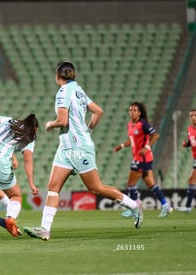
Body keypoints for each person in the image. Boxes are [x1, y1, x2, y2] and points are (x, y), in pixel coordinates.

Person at [24, 61, 143, 241]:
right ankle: (44, 229)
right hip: (66, 147)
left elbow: (62, 121)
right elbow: (98, 111)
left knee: (96, 188)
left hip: (78, 147)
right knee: (53, 187)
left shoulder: (63, 92)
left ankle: (134, 206)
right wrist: (88, 130)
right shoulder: (78, 89)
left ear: (57, 76)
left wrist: (50, 124)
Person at [113, 102, 173, 218]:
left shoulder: (143, 124)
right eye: (130, 110)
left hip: (142, 158)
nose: (132, 112)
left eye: (134, 110)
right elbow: (132, 140)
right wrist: (121, 146)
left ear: (139, 113)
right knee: (151, 184)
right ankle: (166, 206)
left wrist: (147, 147)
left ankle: (134, 208)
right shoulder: (130, 125)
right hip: (141, 158)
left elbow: (156, 135)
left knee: (131, 184)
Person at [178, 108, 196, 212]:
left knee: (191, 180)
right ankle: (188, 207)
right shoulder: (189, 129)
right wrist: (186, 144)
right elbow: (191, 140)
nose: (193, 117)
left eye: (195, 115)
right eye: (192, 116)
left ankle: (188, 207)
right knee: (192, 180)